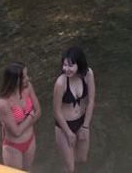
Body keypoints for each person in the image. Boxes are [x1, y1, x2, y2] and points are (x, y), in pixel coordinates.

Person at [53, 45, 96, 173]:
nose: (66, 69)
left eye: (70, 65)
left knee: (82, 159)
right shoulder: (60, 83)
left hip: (82, 121)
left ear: (79, 64)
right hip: (64, 125)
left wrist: (85, 127)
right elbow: (56, 111)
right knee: (70, 168)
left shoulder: (88, 74)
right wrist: (69, 132)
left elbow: (91, 100)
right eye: (64, 65)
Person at [0, 62, 41, 170]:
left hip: (30, 140)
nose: (28, 79)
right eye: (24, 77)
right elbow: (16, 132)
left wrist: (26, 122)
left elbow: (39, 111)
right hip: (13, 147)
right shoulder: (4, 103)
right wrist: (30, 115)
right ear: (15, 80)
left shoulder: (28, 87)